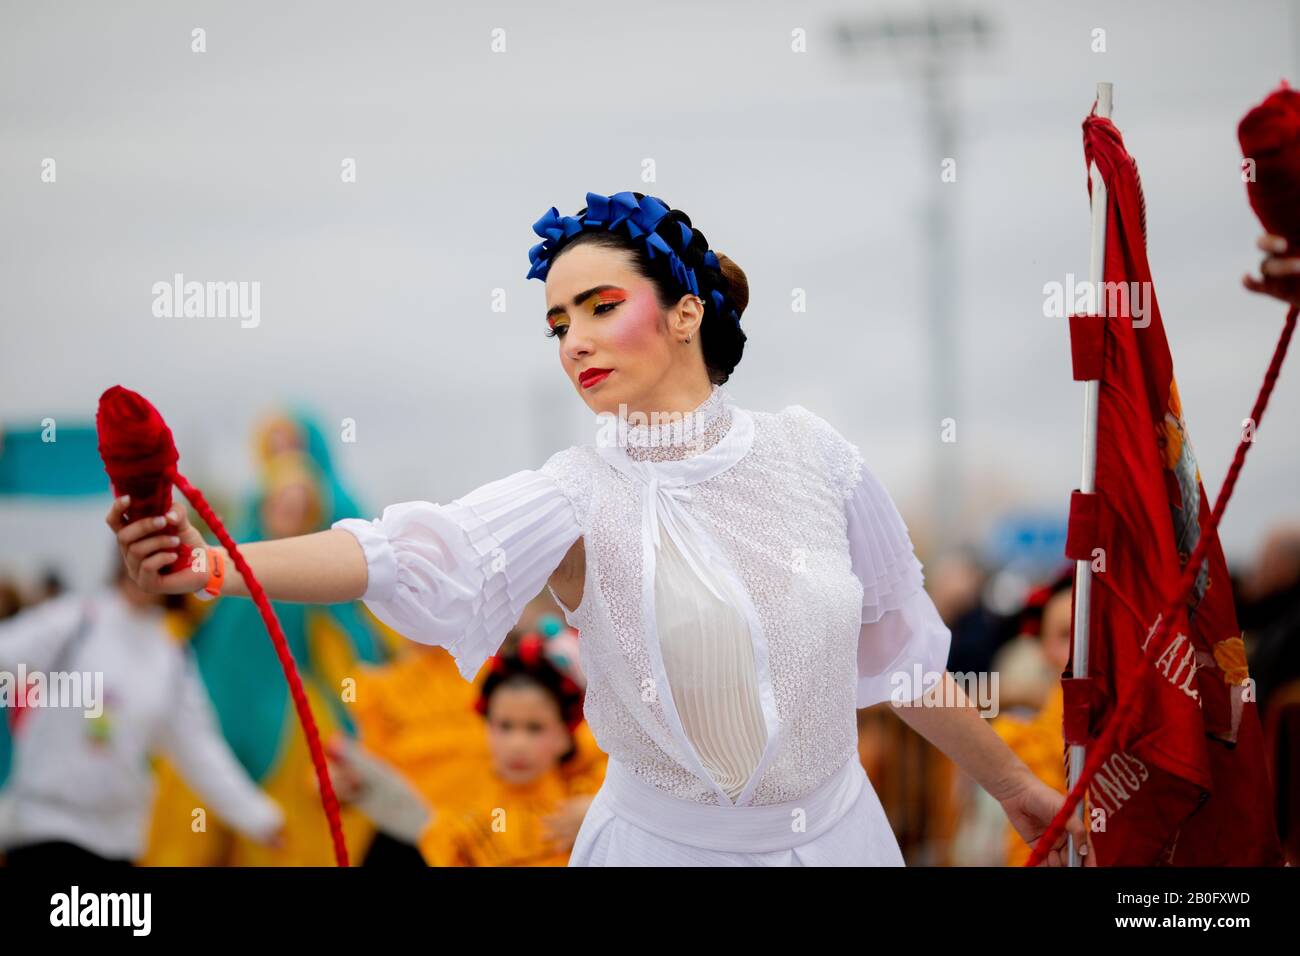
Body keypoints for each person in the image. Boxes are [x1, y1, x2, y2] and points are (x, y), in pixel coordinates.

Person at [108, 190, 1092, 866]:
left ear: (683, 312)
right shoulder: (578, 493)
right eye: (555, 321)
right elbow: (404, 548)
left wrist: (1021, 790)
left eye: (598, 305)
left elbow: (901, 661)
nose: (572, 338)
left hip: (840, 839)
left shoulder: (817, 455)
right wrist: (212, 563)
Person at [0, 558, 284, 866]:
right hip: (44, 828)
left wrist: (260, 817)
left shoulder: (170, 658)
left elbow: (200, 750)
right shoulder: (76, 620)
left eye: (162, 561)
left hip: (118, 843)